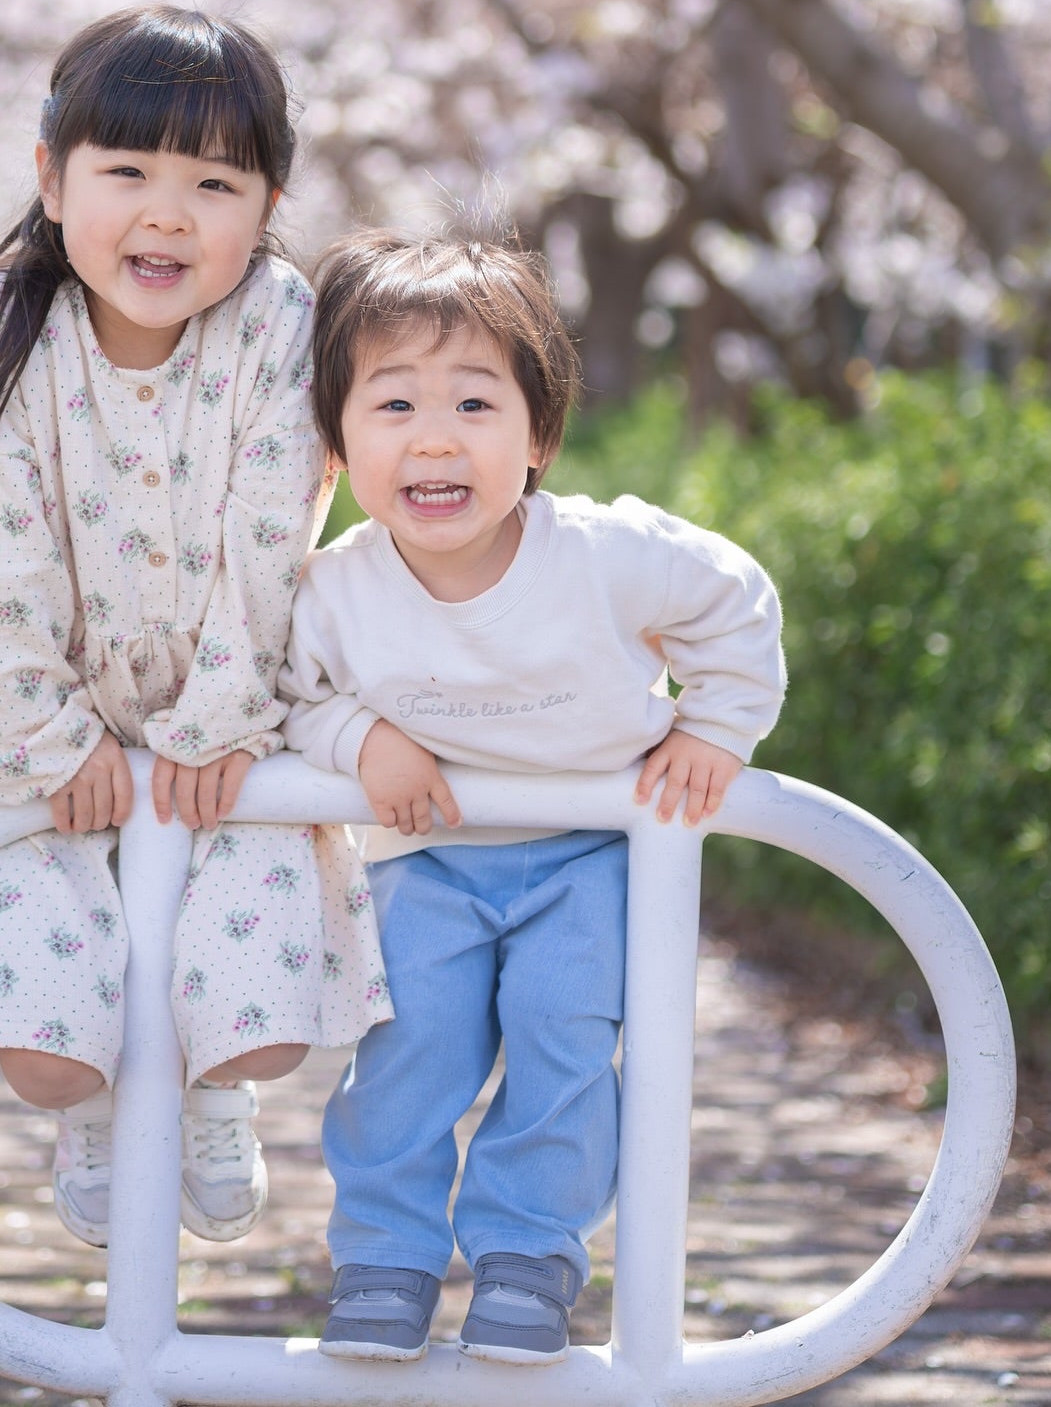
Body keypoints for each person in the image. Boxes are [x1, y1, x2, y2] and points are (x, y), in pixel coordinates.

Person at [0, 6, 389, 1251]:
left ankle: (207, 1093)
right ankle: (85, 1112)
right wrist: (48, 734)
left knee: (261, 1027)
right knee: (48, 1055)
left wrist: (215, 719)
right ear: (51, 178)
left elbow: (272, 531)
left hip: (225, 723)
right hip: (21, 723)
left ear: (267, 201)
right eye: (127, 172)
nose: (167, 213)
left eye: (213, 183)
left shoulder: (278, 323)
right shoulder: (4, 331)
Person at [278, 228, 786, 1365]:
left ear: (540, 434)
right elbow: (285, 693)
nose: (435, 440)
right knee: (407, 1049)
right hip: (431, 857)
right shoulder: (334, 592)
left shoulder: (605, 555)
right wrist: (360, 738)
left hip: (593, 855)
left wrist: (714, 724)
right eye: (394, 406)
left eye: (474, 404)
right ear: (337, 441)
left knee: (566, 1037)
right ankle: (385, 1258)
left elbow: (738, 605)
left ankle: (526, 1255)